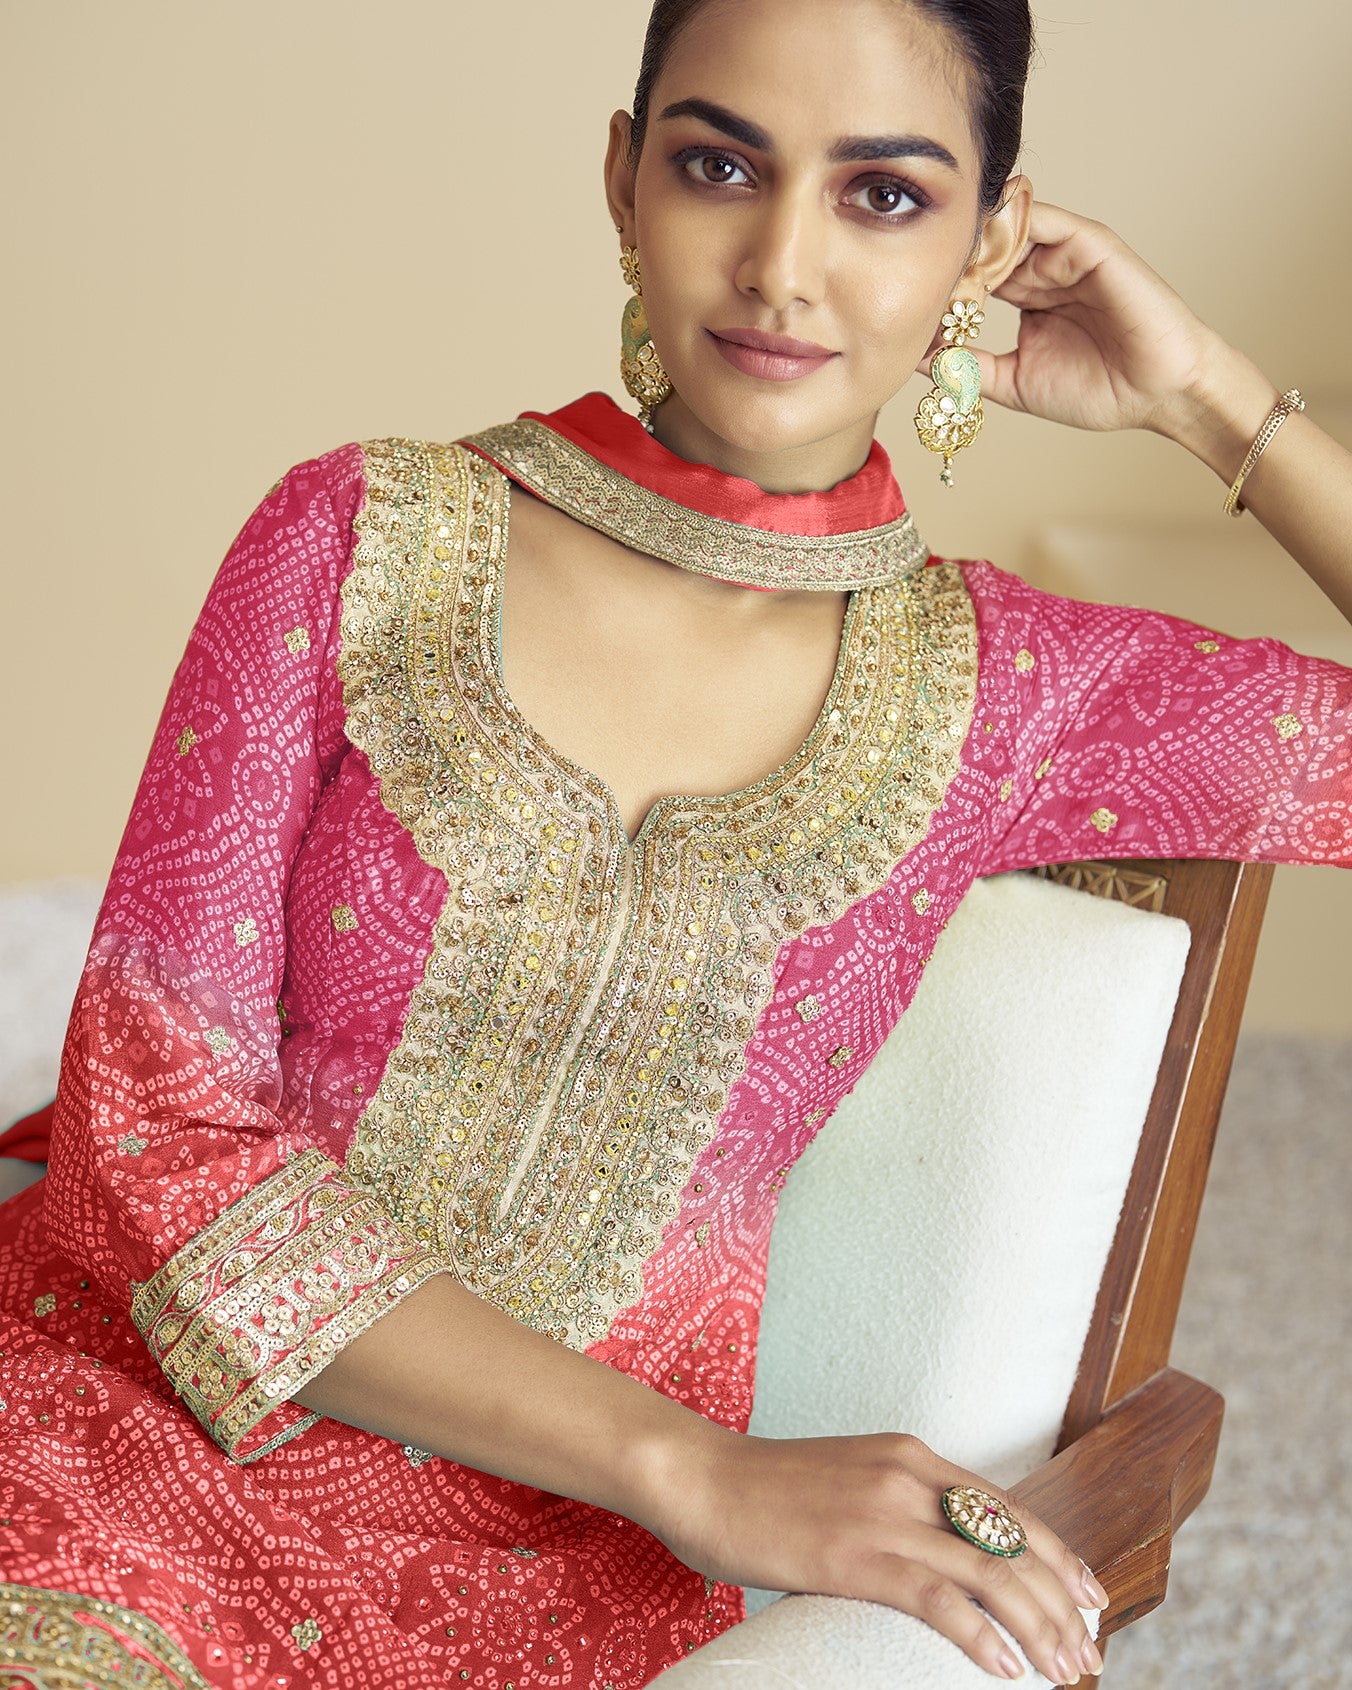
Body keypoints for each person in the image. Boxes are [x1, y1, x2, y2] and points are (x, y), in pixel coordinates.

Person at [1, 0, 1349, 1685]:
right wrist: (691, 1467)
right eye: (723, 164)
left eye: (886, 196)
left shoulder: (1009, 692)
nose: (782, 266)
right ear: (627, 179)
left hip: (552, 1587)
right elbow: (150, 1138)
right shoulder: (358, 537)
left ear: (993, 238)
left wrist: (1213, 400)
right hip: (112, 1441)